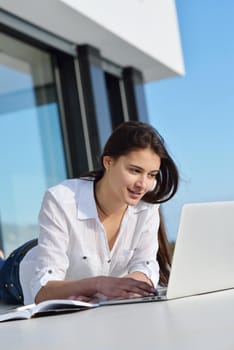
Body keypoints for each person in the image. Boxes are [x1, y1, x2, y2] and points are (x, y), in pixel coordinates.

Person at [0, 121, 179, 305]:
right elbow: (42, 289)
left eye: (152, 174)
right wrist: (99, 285)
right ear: (108, 162)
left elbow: (146, 266)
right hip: (21, 272)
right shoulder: (61, 199)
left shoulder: (147, 205)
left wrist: (126, 287)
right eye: (135, 170)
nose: (143, 184)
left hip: (66, 255)